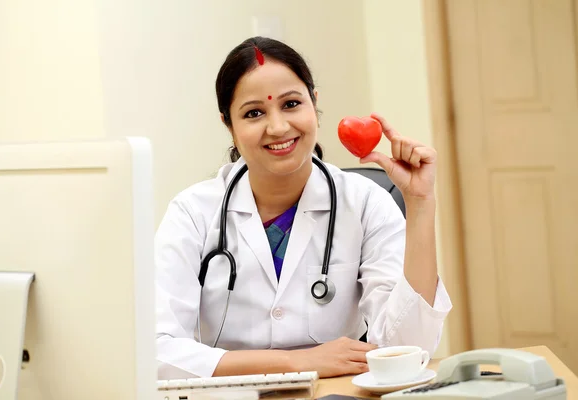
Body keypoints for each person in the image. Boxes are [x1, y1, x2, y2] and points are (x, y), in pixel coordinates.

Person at [155, 36, 452, 380]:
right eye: (254, 113)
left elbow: (409, 347)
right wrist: (296, 363)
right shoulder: (192, 213)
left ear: (314, 103)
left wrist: (420, 204)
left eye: (291, 104)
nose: (278, 126)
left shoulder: (365, 202)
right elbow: (156, 352)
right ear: (229, 126)